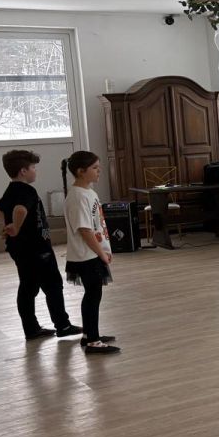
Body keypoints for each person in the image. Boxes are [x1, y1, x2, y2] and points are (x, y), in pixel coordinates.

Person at [0, 150, 81, 342]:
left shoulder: (10, 190)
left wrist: (7, 225)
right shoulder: (27, 191)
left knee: (28, 286)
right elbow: (20, 209)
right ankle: (63, 325)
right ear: (23, 171)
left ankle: (31, 328)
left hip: (19, 248)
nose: (36, 171)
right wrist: (16, 226)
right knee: (53, 285)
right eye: (33, 167)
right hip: (36, 249)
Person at [61, 151, 119, 354]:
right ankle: (93, 341)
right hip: (86, 255)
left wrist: (104, 249)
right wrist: (101, 253)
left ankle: (89, 334)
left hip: (93, 253)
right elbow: (84, 230)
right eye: (94, 168)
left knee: (94, 294)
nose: (98, 171)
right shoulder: (77, 196)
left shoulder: (89, 193)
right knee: (93, 295)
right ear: (80, 171)